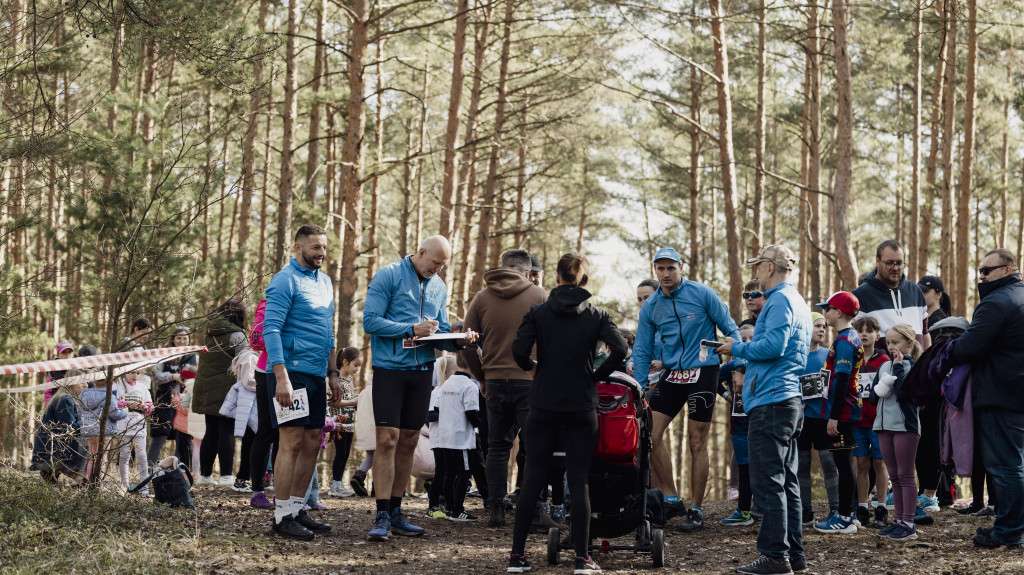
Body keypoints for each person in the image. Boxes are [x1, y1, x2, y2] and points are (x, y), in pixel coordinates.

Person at [506, 252, 627, 574]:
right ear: (584, 280)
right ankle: (581, 560)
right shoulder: (598, 316)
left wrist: (534, 369)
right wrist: (596, 377)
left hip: (543, 403)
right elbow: (621, 350)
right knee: (579, 480)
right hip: (581, 405)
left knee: (532, 478)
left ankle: (516, 558)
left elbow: (518, 350)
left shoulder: (538, 312)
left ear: (557, 278)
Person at [362, 235, 478, 541]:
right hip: (389, 368)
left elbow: (438, 331)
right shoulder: (389, 275)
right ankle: (382, 513)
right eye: (435, 262)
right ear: (421, 251)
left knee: (410, 441)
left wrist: (460, 340)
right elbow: (370, 322)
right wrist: (409, 329)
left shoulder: (438, 286)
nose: (438, 269)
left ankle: (398, 512)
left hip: (422, 372)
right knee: (387, 440)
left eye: (443, 265)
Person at [632, 247, 740, 531]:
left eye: (671, 268)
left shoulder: (703, 293)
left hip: (703, 370)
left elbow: (731, 329)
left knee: (696, 441)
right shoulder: (651, 305)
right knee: (649, 435)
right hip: (673, 374)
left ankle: (696, 509)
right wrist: (641, 387)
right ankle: (671, 498)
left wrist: (739, 365)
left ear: (681, 268)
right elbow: (642, 349)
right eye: (660, 269)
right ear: (655, 270)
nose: (666, 274)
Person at [719, 244, 810, 575]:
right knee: (786, 481)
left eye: (758, 267)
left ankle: (775, 556)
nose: (755, 273)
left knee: (768, 481)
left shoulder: (779, 301)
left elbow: (773, 346)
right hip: (788, 400)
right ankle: (794, 555)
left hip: (772, 400)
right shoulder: (796, 300)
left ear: (770, 268)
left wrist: (737, 347)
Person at [263, 224, 341, 540]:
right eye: (315, 248)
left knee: (311, 442)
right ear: (298, 247)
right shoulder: (284, 280)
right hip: (289, 373)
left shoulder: (325, 283)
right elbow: (271, 329)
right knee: (291, 441)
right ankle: (281, 516)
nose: (321, 253)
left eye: (324, 247)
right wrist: (281, 378)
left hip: (315, 373)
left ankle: (297, 509)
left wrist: (333, 374)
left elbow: (329, 331)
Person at [461, 248, 547, 527]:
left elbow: (467, 342)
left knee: (497, 446)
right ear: (526, 272)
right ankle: (533, 509)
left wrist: (480, 375)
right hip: (531, 381)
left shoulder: (481, 297)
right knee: (535, 447)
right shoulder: (539, 296)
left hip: (495, 382)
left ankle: (496, 507)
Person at [950, 248, 1024, 550]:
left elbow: (967, 347)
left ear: (1007, 270)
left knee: (1006, 467)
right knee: (1016, 463)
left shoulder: (996, 302)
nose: (981, 276)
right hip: (1016, 393)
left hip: (1001, 394)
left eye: (986, 271)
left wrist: (949, 350)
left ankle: (1008, 531)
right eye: (980, 271)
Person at [812, 292, 864, 535]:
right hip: (842, 410)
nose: (826, 313)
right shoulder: (846, 337)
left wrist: (833, 416)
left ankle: (843, 517)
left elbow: (842, 380)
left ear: (839, 313)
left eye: (828, 309)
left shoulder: (845, 341)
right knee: (844, 462)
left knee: (843, 463)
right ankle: (848, 514)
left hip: (842, 411)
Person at [869, 323, 922, 541]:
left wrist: (898, 368)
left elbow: (903, 393)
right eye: (888, 342)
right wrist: (882, 382)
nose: (891, 347)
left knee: (905, 475)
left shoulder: (913, 367)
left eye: (896, 342)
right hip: (883, 427)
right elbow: (873, 398)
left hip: (904, 428)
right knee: (894, 477)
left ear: (909, 343)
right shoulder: (884, 366)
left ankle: (909, 524)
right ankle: (898, 520)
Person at [192, 300, 247, 487]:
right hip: (227, 388)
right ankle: (225, 476)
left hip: (206, 386)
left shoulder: (207, 332)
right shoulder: (237, 335)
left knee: (211, 431)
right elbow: (244, 360)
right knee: (227, 431)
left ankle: (205, 476)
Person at [796, 312, 841, 525]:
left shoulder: (829, 355)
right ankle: (805, 511)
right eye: (817, 326)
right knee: (802, 465)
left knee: (829, 464)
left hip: (824, 417)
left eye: (824, 326)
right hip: (802, 418)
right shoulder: (796, 356)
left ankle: (835, 509)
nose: (822, 330)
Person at [851, 240, 928, 350]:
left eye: (899, 263)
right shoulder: (860, 295)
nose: (895, 268)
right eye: (889, 263)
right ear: (877, 261)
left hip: (917, 366)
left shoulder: (915, 291)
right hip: (879, 366)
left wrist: (928, 363)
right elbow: (853, 338)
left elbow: (925, 333)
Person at [852, 316, 890, 529]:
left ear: (877, 335)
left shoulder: (883, 360)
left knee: (879, 462)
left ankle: (882, 506)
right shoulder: (852, 359)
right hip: (857, 421)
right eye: (860, 330)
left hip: (878, 420)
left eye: (869, 330)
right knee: (861, 463)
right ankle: (862, 505)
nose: (864, 334)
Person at [434, 353, 483, 522]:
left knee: (449, 473)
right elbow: (471, 413)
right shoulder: (470, 386)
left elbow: (437, 408)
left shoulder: (446, 384)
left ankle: (449, 508)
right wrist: (481, 426)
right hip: (461, 438)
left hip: (445, 436)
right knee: (464, 472)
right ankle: (457, 510)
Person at [150, 327, 198, 467]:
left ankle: (179, 468)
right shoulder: (164, 354)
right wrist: (173, 376)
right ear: (172, 339)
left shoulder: (193, 356)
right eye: (178, 338)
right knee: (160, 433)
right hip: (164, 399)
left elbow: (198, 377)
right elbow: (155, 376)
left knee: (182, 436)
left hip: (185, 400)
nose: (182, 341)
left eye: (185, 338)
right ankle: (148, 467)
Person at [31, 371, 89, 486]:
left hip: (51, 451)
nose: (86, 385)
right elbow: (69, 429)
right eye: (82, 382)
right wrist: (88, 422)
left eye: (87, 382)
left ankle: (56, 475)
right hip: (51, 454)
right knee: (90, 441)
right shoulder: (65, 400)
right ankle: (78, 479)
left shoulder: (66, 398)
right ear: (72, 382)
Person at [247, 298, 278, 509]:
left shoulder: (270, 303)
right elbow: (257, 339)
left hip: (281, 370)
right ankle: (259, 492)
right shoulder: (272, 304)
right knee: (270, 432)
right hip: (269, 370)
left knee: (279, 433)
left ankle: (276, 492)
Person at [719, 355, 752, 527]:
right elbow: (716, 379)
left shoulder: (761, 360)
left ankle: (763, 509)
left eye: (750, 337)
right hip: (738, 425)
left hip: (760, 421)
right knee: (744, 466)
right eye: (742, 338)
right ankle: (744, 511)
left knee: (763, 467)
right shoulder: (730, 366)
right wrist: (726, 395)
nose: (746, 341)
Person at [113, 368, 154, 493]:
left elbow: (150, 406)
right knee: (124, 455)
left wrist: (145, 407)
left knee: (141, 455)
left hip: (139, 426)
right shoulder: (118, 385)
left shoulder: (143, 387)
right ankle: (125, 485)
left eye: (138, 373)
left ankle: (144, 486)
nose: (135, 375)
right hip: (123, 425)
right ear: (125, 371)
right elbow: (113, 402)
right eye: (132, 372)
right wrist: (126, 403)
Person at [329, 347, 361, 497]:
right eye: (355, 365)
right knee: (340, 453)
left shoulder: (349, 379)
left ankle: (339, 484)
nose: (357, 369)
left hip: (349, 423)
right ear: (345, 362)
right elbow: (334, 402)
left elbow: (350, 399)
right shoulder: (335, 380)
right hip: (338, 422)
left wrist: (357, 401)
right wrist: (353, 401)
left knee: (346, 453)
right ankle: (335, 486)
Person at [627, 279, 664, 389]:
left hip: (671, 383)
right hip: (646, 383)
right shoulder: (643, 326)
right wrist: (630, 363)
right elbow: (638, 352)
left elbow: (686, 351)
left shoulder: (673, 323)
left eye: (647, 298)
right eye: (639, 299)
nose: (643, 303)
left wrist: (664, 363)